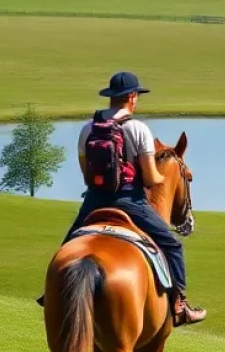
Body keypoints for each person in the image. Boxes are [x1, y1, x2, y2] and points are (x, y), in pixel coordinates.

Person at [64, 71, 206, 326]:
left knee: (67, 245)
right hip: (130, 201)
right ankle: (181, 304)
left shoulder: (88, 129)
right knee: (173, 246)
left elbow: (87, 176)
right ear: (131, 97)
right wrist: (162, 179)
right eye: (136, 95)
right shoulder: (138, 129)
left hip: (94, 200)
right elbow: (151, 179)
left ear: (110, 97)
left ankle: (52, 294)